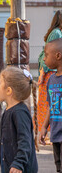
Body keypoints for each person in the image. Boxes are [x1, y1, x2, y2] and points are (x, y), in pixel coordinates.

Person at [0, 67, 38, 173]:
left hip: (21, 169)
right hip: (10, 168)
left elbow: (25, 141)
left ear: (9, 90)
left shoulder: (20, 113)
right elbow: (0, 141)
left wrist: (19, 163)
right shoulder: (7, 111)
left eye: (0, 83)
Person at [37, 10, 62, 141]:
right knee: (47, 103)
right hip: (49, 73)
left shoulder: (56, 32)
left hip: (50, 72)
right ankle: (46, 131)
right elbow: (47, 54)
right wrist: (43, 72)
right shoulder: (57, 33)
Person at [40, 38, 62, 172]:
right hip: (55, 132)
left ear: (58, 56)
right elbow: (50, 106)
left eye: (46, 55)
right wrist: (44, 127)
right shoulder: (51, 80)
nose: (44, 59)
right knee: (58, 166)